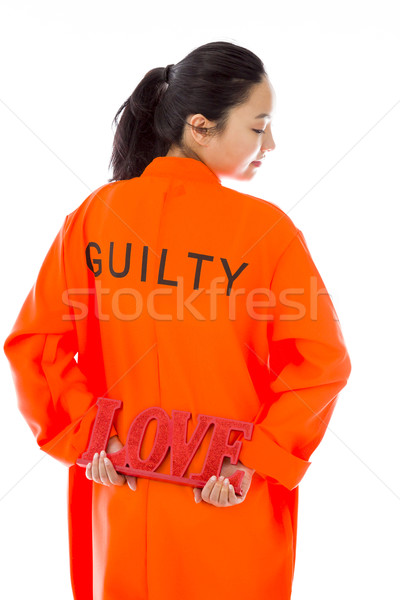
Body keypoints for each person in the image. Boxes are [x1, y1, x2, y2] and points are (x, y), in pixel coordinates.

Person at [3, 40, 351, 600]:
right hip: (226, 493)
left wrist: (97, 440)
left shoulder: (96, 217)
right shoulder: (266, 232)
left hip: (122, 492)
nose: (271, 143)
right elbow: (320, 362)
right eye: (259, 126)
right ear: (200, 126)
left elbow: (35, 348)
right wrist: (255, 459)